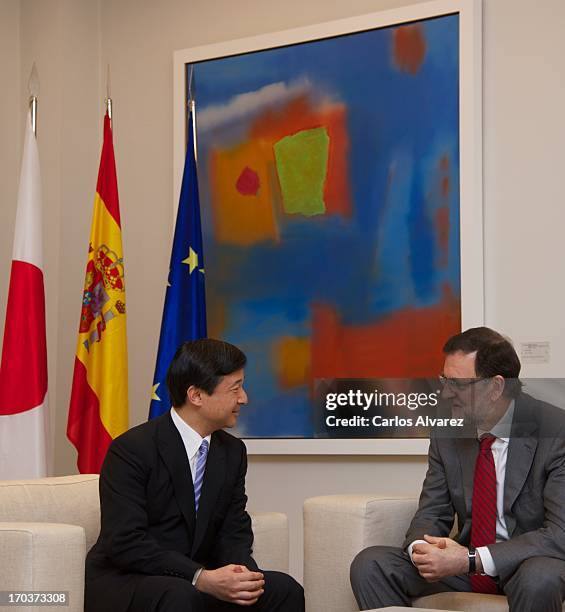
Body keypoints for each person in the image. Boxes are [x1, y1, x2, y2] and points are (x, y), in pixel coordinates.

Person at [350, 326, 565, 612]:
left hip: (527, 562)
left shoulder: (555, 430)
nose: (446, 393)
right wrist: (421, 550)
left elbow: (559, 534)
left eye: (458, 384)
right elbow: (433, 511)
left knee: (539, 577)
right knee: (371, 564)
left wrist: (471, 559)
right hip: (465, 568)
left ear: (496, 387)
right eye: (444, 380)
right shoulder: (448, 429)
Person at [85, 338, 304, 612]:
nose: (244, 398)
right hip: (131, 579)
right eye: (235, 388)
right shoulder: (132, 450)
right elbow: (126, 542)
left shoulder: (232, 451)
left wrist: (241, 577)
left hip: (198, 579)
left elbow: (233, 530)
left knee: (284, 590)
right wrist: (199, 577)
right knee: (180, 596)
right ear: (196, 395)